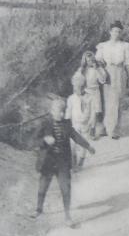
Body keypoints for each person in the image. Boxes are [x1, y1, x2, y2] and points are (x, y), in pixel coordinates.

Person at [36, 94, 96, 227]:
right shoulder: (45, 124)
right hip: (48, 161)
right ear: (52, 111)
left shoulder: (67, 124)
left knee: (66, 188)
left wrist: (88, 146)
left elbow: (76, 136)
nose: (62, 114)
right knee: (43, 186)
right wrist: (44, 140)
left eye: (64, 111)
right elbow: (33, 141)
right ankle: (39, 210)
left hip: (63, 161)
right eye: (59, 111)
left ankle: (67, 216)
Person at [95, 20, 129, 139]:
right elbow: (97, 60)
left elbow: (128, 63)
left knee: (118, 101)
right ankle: (106, 127)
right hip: (107, 73)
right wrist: (100, 70)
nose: (116, 34)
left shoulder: (124, 46)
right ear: (110, 32)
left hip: (119, 73)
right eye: (114, 31)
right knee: (107, 101)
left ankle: (114, 129)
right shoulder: (103, 45)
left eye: (119, 32)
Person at [77, 50, 108, 139]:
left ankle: (93, 130)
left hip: (95, 91)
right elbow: (78, 81)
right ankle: (84, 129)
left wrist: (97, 69)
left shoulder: (98, 68)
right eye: (88, 60)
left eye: (91, 60)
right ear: (85, 61)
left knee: (95, 111)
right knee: (87, 112)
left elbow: (103, 80)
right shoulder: (83, 70)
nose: (90, 62)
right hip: (86, 92)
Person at [65, 73, 92, 169]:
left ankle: (81, 160)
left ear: (83, 86)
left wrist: (89, 121)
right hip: (74, 124)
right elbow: (68, 111)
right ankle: (74, 162)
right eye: (75, 87)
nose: (78, 90)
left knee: (84, 143)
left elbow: (89, 110)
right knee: (72, 145)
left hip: (85, 124)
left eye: (80, 87)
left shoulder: (88, 97)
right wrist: (66, 122)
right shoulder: (71, 99)